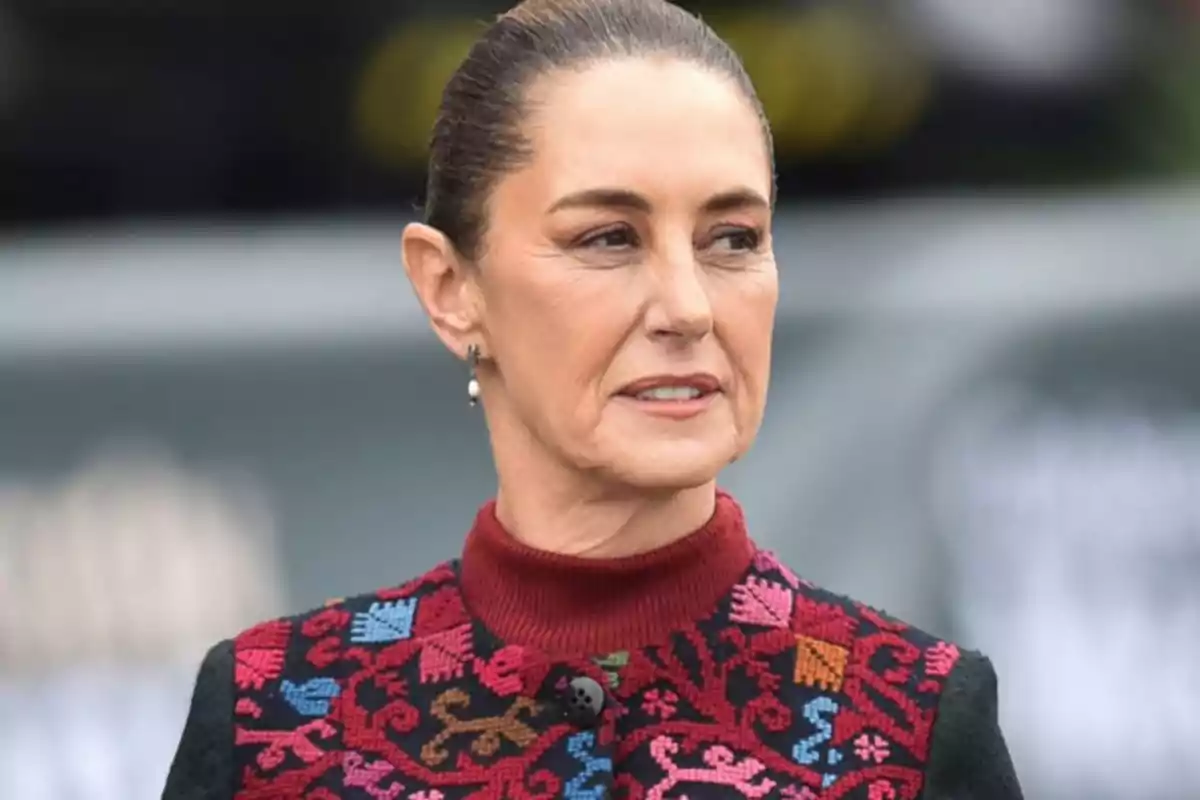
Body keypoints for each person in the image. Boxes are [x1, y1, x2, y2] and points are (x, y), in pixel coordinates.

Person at [163, 0, 1024, 797]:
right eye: (608, 238)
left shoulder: (912, 719)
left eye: (733, 238)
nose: (688, 306)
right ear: (449, 286)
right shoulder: (274, 716)